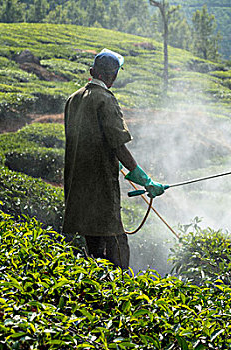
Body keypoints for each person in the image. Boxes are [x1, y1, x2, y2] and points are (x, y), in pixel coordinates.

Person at [62, 48, 165, 270]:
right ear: (114, 76)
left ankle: (97, 287)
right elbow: (118, 145)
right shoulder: (105, 99)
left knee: (93, 241)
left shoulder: (73, 99)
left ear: (92, 71)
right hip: (99, 184)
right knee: (117, 238)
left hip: (77, 184)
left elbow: (87, 138)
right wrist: (144, 179)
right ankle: (123, 288)